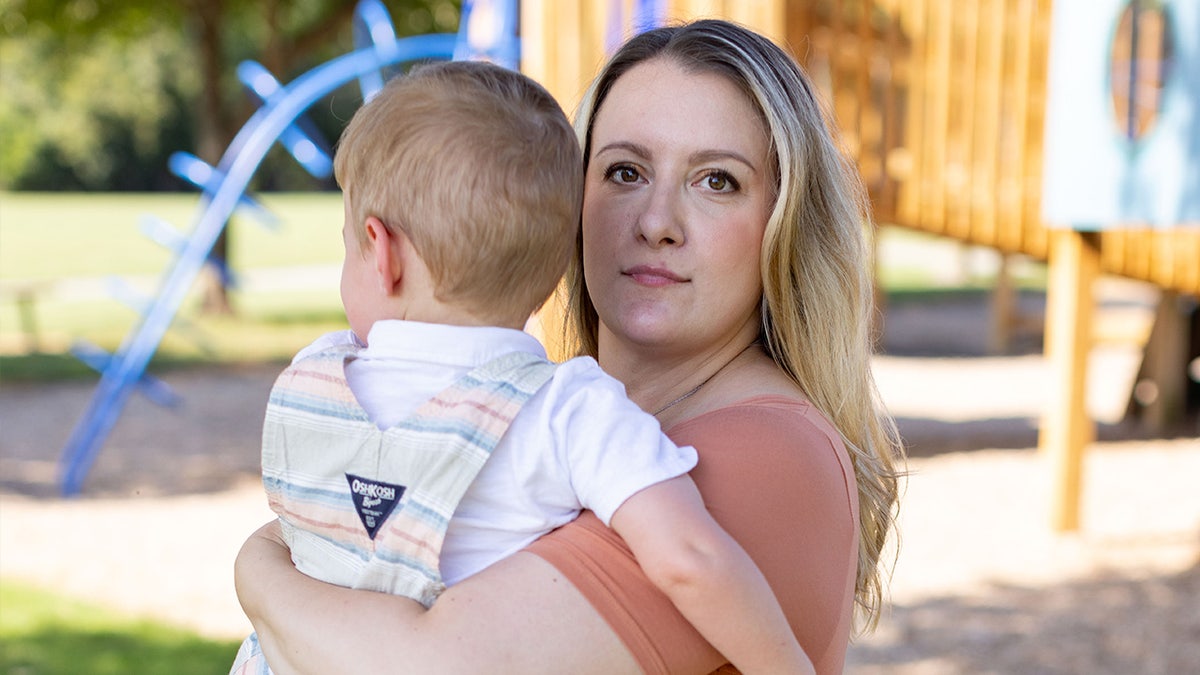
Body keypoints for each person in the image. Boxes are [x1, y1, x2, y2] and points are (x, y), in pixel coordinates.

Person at [235, 19, 904, 674]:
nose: (656, 222)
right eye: (625, 171)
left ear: (784, 223)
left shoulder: (761, 454)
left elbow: (423, 663)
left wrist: (258, 571)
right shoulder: (545, 421)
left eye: (716, 181)